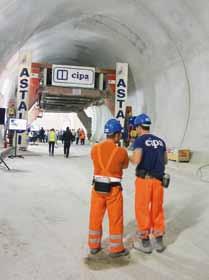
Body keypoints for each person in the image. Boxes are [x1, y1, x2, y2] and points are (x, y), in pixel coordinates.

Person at [88, 118, 129, 258]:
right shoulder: (121, 151)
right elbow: (125, 166)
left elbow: (95, 161)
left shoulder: (95, 149)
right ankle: (116, 249)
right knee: (115, 218)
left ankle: (94, 246)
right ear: (117, 135)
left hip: (97, 188)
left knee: (95, 217)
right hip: (113, 190)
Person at [129, 113, 167, 254]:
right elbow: (166, 161)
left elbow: (136, 160)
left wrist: (129, 157)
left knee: (142, 209)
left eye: (136, 127)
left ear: (139, 127)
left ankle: (145, 242)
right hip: (158, 181)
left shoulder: (139, 141)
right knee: (157, 209)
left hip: (144, 181)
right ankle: (159, 241)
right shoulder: (161, 141)